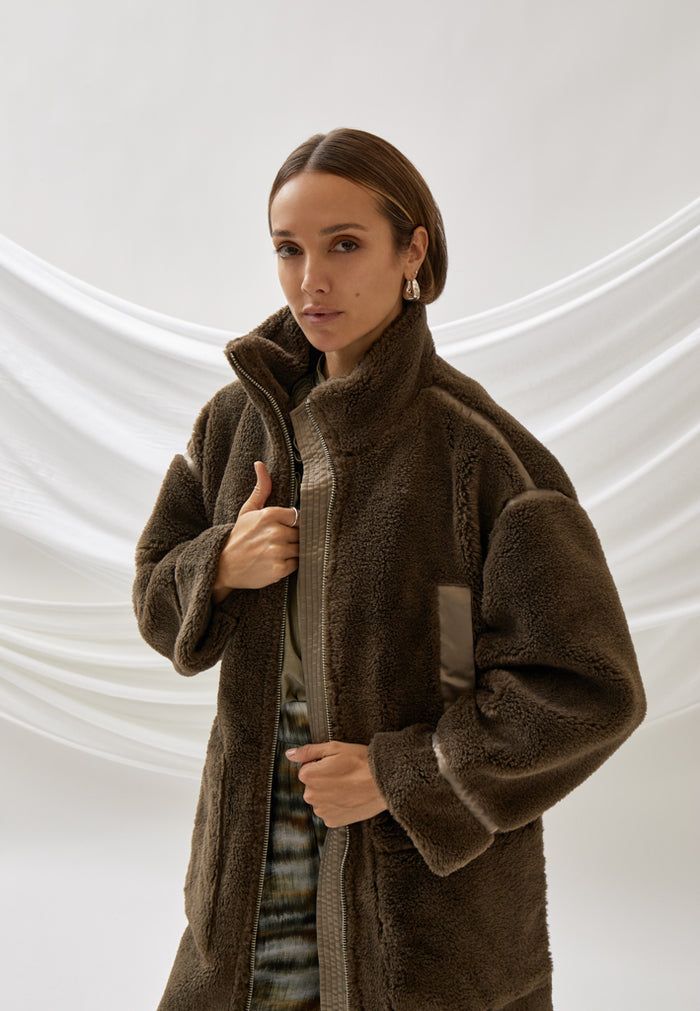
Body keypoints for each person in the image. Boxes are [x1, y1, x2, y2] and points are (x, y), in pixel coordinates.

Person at [132, 127, 647, 1011]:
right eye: (288, 249)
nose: (311, 280)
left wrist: (405, 773)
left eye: (344, 245)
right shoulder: (234, 425)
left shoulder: (480, 455)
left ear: (412, 250)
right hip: (251, 880)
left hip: (421, 914)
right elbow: (153, 591)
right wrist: (218, 566)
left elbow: (590, 688)